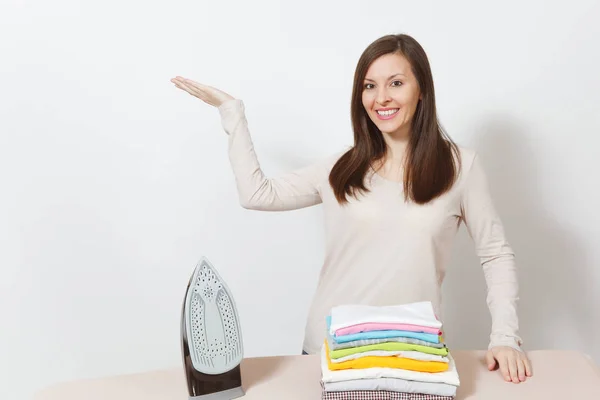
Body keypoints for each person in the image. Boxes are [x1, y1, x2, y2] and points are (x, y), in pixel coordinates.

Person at [171, 33, 533, 384]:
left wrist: (505, 336)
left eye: (395, 83)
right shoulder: (340, 169)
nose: (381, 98)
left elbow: (495, 254)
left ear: (421, 89)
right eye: (369, 86)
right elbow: (257, 194)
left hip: (414, 355)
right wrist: (232, 114)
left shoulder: (460, 167)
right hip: (329, 352)